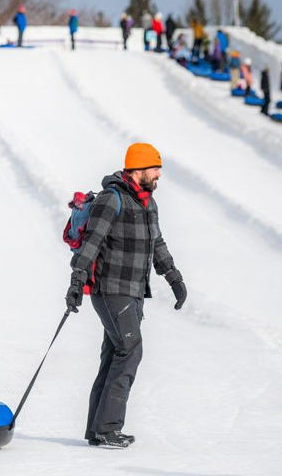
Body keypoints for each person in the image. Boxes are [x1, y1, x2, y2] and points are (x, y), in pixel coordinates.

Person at [65, 143, 187, 449]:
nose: (159, 174)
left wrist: (174, 277)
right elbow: (90, 243)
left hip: (133, 292)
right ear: (138, 168)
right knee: (130, 349)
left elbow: (156, 243)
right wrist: (77, 282)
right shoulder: (112, 198)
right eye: (155, 168)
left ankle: (96, 429)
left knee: (114, 355)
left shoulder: (148, 203)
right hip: (111, 289)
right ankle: (108, 427)